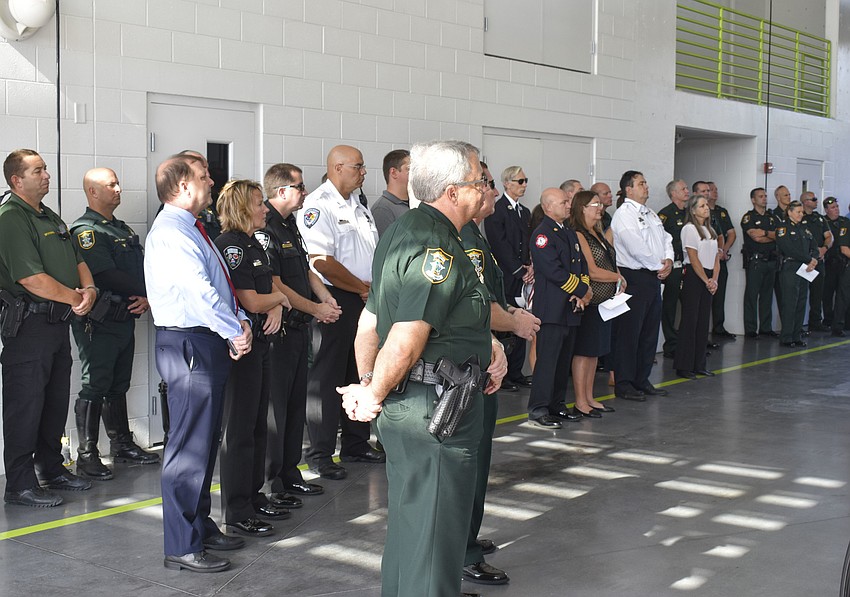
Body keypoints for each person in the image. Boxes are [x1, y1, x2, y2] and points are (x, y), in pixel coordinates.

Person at [336, 140, 507, 597]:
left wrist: (370, 384)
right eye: (480, 182)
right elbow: (407, 336)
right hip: (436, 414)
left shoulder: (406, 230)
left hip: (414, 403)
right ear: (452, 192)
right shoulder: (438, 248)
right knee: (435, 532)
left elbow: (369, 323)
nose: (485, 188)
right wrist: (371, 394)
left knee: (416, 526)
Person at [145, 154, 253, 573]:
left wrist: (237, 321)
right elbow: (198, 293)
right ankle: (181, 545)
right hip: (190, 343)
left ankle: (200, 526)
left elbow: (218, 288)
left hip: (204, 340)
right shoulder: (172, 232)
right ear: (184, 187)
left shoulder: (194, 228)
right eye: (205, 178)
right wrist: (234, 329)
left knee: (205, 442)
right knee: (189, 446)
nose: (212, 183)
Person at [459, 161, 540, 586]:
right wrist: (513, 322)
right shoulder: (466, 237)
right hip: (468, 363)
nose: (490, 191)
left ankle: (468, 537)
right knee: (468, 461)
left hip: (484, 357)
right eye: (484, 183)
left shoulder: (477, 234)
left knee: (479, 459)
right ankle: (464, 551)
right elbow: (475, 304)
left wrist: (508, 314)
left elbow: (491, 295)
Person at [0, 149, 95, 508]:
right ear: (16, 180)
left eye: (45, 169)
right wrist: (75, 297)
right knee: (25, 405)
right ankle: (20, 484)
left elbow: (78, 259)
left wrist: (88, 291)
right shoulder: (11, 217)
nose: (46, 175)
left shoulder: (49, 216)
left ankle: (51, 469)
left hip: (57, 323)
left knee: (54, 401)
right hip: (28, 326)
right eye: (37, 171)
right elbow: (31, 278)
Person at [297, 145, 383, 481]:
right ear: (337, 167)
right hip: (335, 298)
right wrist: (360, 289)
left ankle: (356, 443)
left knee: (357, 371)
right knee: (327, 377)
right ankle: (319, 453)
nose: (363, 172)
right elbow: (321, 261)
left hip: (363, 297)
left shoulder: (358, 206)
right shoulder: (318, 205)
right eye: (359, 167)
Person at [215, 179, 293, 538]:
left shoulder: (253, 244)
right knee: (240, 430)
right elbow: (251, 301)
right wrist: (275, 303)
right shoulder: (231, 246)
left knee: (258, 426)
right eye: (259, 204)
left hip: (262, 342)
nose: (265, 209)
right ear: (243, 208)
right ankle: (237, 509)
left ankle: (254, 494)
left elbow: (272, 290)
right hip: (242, 349)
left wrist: (275, 303)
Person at [70, 168, 159, 481]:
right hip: (100, 322)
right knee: (96, 383)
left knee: (119, 383)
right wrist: (151, 293)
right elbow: (106, 275)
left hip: (124, 319)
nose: (118, 188)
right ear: (93, 192)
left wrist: (146, 297)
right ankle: (87, 455)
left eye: (118, 182)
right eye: (111, 185)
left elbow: (139, 273)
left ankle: (121, 444)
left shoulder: (120, 229)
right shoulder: (87, 231)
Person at [259, 163, 340, 503]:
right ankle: (272, 483)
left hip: (297, 331)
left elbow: (304, 269)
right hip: (278, 334)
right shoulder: (265, 227)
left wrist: (325, 296)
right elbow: (275, 283)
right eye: (300, 186)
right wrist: (316, 309)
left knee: (294, 407)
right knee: (276, 413)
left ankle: (291, 474)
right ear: (282, 192)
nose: (305, 192)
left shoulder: (290, 223)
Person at [527, 187, 591, 428]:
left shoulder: (569, 233)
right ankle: (539, 409)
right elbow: (553, 270)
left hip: (571, 308)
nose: (568, 205)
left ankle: (557, 405)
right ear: (548, 207)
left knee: (563, 362)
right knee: (548, 362)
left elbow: (581, 265)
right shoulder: (542, 235)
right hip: (552, 309)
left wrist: (583, 291)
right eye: (564, 202)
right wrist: (581, 290)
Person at [610, 170, 673, 401]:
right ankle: (624, 383)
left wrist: (668, 260)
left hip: (653, 277)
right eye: (641, 183)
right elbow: (635, 246)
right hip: (634, 278)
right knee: (630, 334)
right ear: (629, 189)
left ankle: (641, 379)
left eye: (646, 182)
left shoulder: (651, 213)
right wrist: (659, 266)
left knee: (649, 333)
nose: (646, 187)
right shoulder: (623, 214)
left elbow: (667, 239)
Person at [569, 190, 624, 417]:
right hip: (590, 302)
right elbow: (591, 270)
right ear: (582, 208)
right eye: (595, 204)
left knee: (594, 353)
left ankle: (590, 397)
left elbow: (610, 262)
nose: (600, 208)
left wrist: (618, 275)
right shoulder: (579, 234)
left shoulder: (597, 233)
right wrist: (617, 278)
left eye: (601, 204)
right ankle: (580, 401)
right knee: (584, 352)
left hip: (605, 302)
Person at [485, 165, 534, 390]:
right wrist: (519, 270)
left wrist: (530, 266)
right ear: (507, 183)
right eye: (520, 181)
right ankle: (503, 374)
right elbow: (499, 244)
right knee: (505, 324)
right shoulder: (498, 209)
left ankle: (516, 372)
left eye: (525, 181)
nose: (524, 185)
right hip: (507, 275)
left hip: (523, 276)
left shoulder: (524, 212)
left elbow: (528, 241)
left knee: (522, 319)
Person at [673, 195, 720, 378]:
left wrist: (714, 279)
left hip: (708, 276)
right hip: (694, 276)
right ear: (693, 210)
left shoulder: (710, 230)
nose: (706, 208)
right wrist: (705, 279)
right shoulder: (689, 229)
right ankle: (684, 365)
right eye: (701, 206)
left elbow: (716, 258)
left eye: (706, 205)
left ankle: (699, 363)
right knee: (690, 321)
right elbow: (693, 258)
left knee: (702, 321)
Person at [775, 201, 818, 347]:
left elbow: (814, 246)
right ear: (790, 212)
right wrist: (809, 259)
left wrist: (814, 260)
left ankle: (796, 335)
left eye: (802, 212)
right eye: (798, 212)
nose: (801, 214)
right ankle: (786, 337)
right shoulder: (783, 228)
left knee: (801, 302)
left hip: (805, 268)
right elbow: (788, 249)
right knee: (790, 302)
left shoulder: (804, 229)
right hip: (791, 267)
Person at [741, 188, 779, 338]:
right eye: (761, 196)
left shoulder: (772, 217)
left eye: (765, 196)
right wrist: (771, 236)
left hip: (771, 260)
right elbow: (755, 237)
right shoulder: (748, 217)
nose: (764, 199)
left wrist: (764, 233)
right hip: (756, 261)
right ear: (753, 200)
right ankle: (750, 329)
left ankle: (765, 327)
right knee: (752, 295)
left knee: (767, 296)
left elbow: (780, 235)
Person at [658, 179, 689, 358]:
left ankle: (687, 342)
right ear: (673, 194)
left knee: (689, 306)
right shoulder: (665, 215)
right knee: (670, 307)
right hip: (674, 267)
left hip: (689, 266)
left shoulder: (691, 213)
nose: (687, 191)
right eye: (683, 189)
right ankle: (671, 344)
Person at [706, 181, 737, 338]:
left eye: (715, 189)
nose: (715, 192)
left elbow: (730, 233)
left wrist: (723, 251)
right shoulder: (698, 212)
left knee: (720, 295)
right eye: (711, 190)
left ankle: (719, 327)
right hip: (705, 262)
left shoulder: (721, 212)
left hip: (720, 258)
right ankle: (703, 334)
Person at [800, 190, 832, 331]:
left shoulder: (820, 218)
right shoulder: (799, 217)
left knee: (817, 293)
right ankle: (798, 324)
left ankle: (815, 322)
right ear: (805, 201)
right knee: (800, 293)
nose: (816, 201)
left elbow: (829, 236)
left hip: (819, 260)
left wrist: (824, 248)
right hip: (804, 261)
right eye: (813, 199)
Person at [822, 197, 850, 331]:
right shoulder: (823, 222)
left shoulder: (845, 221)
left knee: (843, 294)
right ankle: (828, 320)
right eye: (833, 207)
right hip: (830, 263)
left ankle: (842, 322)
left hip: (843, 263)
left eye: (837, 207)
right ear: (826, 210)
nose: (836, 209)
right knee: (828, 293)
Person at [371, 149, 411, 236]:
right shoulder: (382, 210)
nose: (414, 174)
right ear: (394, 173)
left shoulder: (413, 204)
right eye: (409, 169)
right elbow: (384, 247)